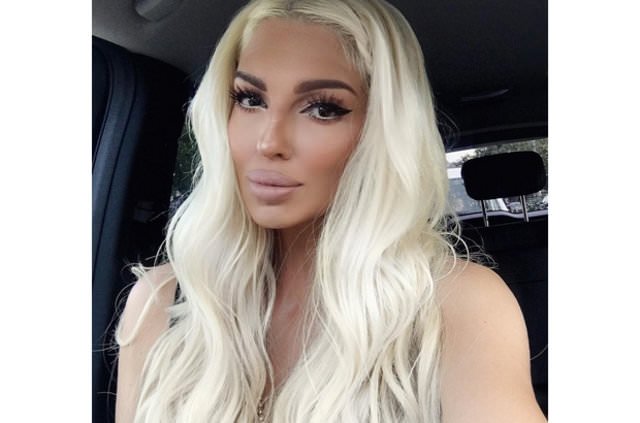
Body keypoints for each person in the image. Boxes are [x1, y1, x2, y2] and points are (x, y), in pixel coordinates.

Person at [115, 0, 547, 422]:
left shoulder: (457, 306)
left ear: (379, 132)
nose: (269, 141)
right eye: (249, 99)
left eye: (323, 109)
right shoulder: (162, 302)